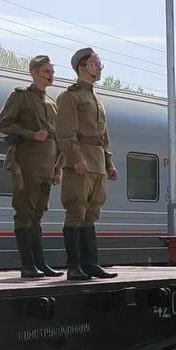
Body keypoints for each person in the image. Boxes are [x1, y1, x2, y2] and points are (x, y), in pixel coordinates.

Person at [0, 55, 62, 279]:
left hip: (45, 165)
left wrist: (57, 168)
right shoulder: (21, 96)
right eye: (46, 72)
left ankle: (40, 263)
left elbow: (58, 138)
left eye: (52, 72)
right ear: (34, 72)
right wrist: (31, 134)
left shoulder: (52, 103)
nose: (50, 76)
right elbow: (2, 123)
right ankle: (27, 264)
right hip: (26, 164)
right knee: (24, 213)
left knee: (37, 215)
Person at [55, 48, 117, 281]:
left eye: (100, 64)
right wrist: (75, 159)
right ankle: (74, 266)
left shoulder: (96, 99)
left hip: (97, 162)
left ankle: (90, 264)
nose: (99, 68)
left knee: (91, 212)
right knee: (76, 210)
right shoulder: (70, 97)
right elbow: (65, 132)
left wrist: (109, 162)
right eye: (96, 64)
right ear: (82, 67)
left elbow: (103, 136)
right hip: (80, 161)